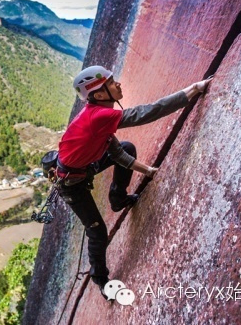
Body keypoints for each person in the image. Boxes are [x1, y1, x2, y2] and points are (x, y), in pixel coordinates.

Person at [56, 65, 212, 299]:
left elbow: (118, 153)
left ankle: (118, 200)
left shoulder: (99, 116)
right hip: (71, 183)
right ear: (98, 95)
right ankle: (100, 281)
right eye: (110, 83)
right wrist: (193, 90)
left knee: (127, 147)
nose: (117, 84)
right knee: (97, 230)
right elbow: (148, 112)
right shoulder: (99, 116)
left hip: (83, 168)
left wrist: (149, 171)